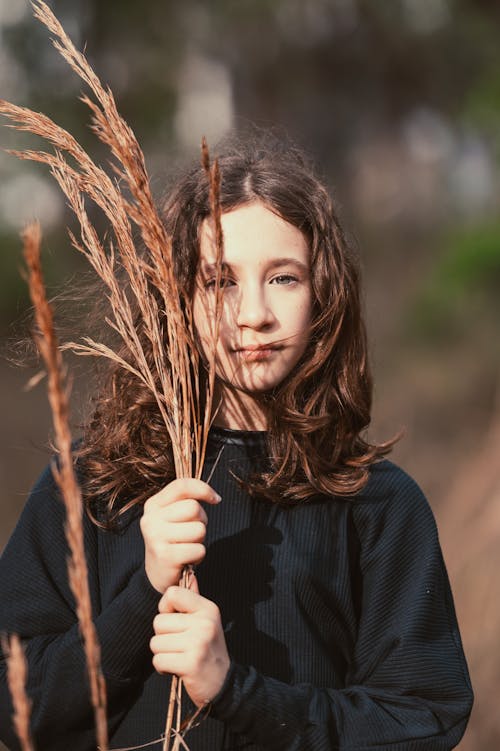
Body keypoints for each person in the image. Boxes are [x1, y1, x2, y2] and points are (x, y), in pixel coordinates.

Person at [0, 133, 473, 750]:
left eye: (283, 278)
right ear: (177, 296)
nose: (253, 314)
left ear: (324, 293)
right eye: (220, 281)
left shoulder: (376, 502)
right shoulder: (95, 482)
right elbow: (16, 711)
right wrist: (143, 592)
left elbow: (425, 720)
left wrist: (233, 691)